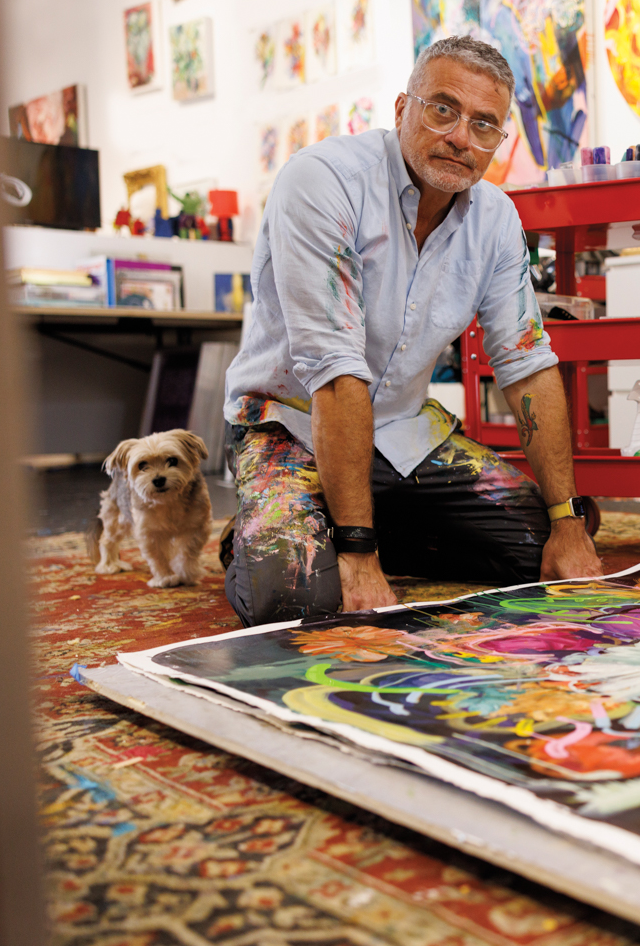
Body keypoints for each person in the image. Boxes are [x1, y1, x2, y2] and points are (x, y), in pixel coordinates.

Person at [219, 36, 601, 627]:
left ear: (498, 141)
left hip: (401, 432)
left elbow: (526, 364)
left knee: (550, 538)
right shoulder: (323, 182)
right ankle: (269, 531)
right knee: (299, 598)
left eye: (484, 125)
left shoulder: (496, 219)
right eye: (443, 109)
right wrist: (357, 553)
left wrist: (568, 521)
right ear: (402, 109)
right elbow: (335, 371)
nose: (460, 138)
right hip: (288, 424)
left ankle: (348, 516)